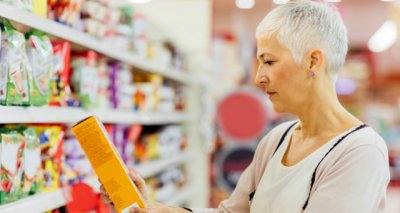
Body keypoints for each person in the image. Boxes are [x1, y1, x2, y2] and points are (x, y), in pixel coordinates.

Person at [101, 1, 390, 212]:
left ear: (313, 61)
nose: (258, 77)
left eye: (269, 61)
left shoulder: (359, 152)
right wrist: (154, 208)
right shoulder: (278, 139)